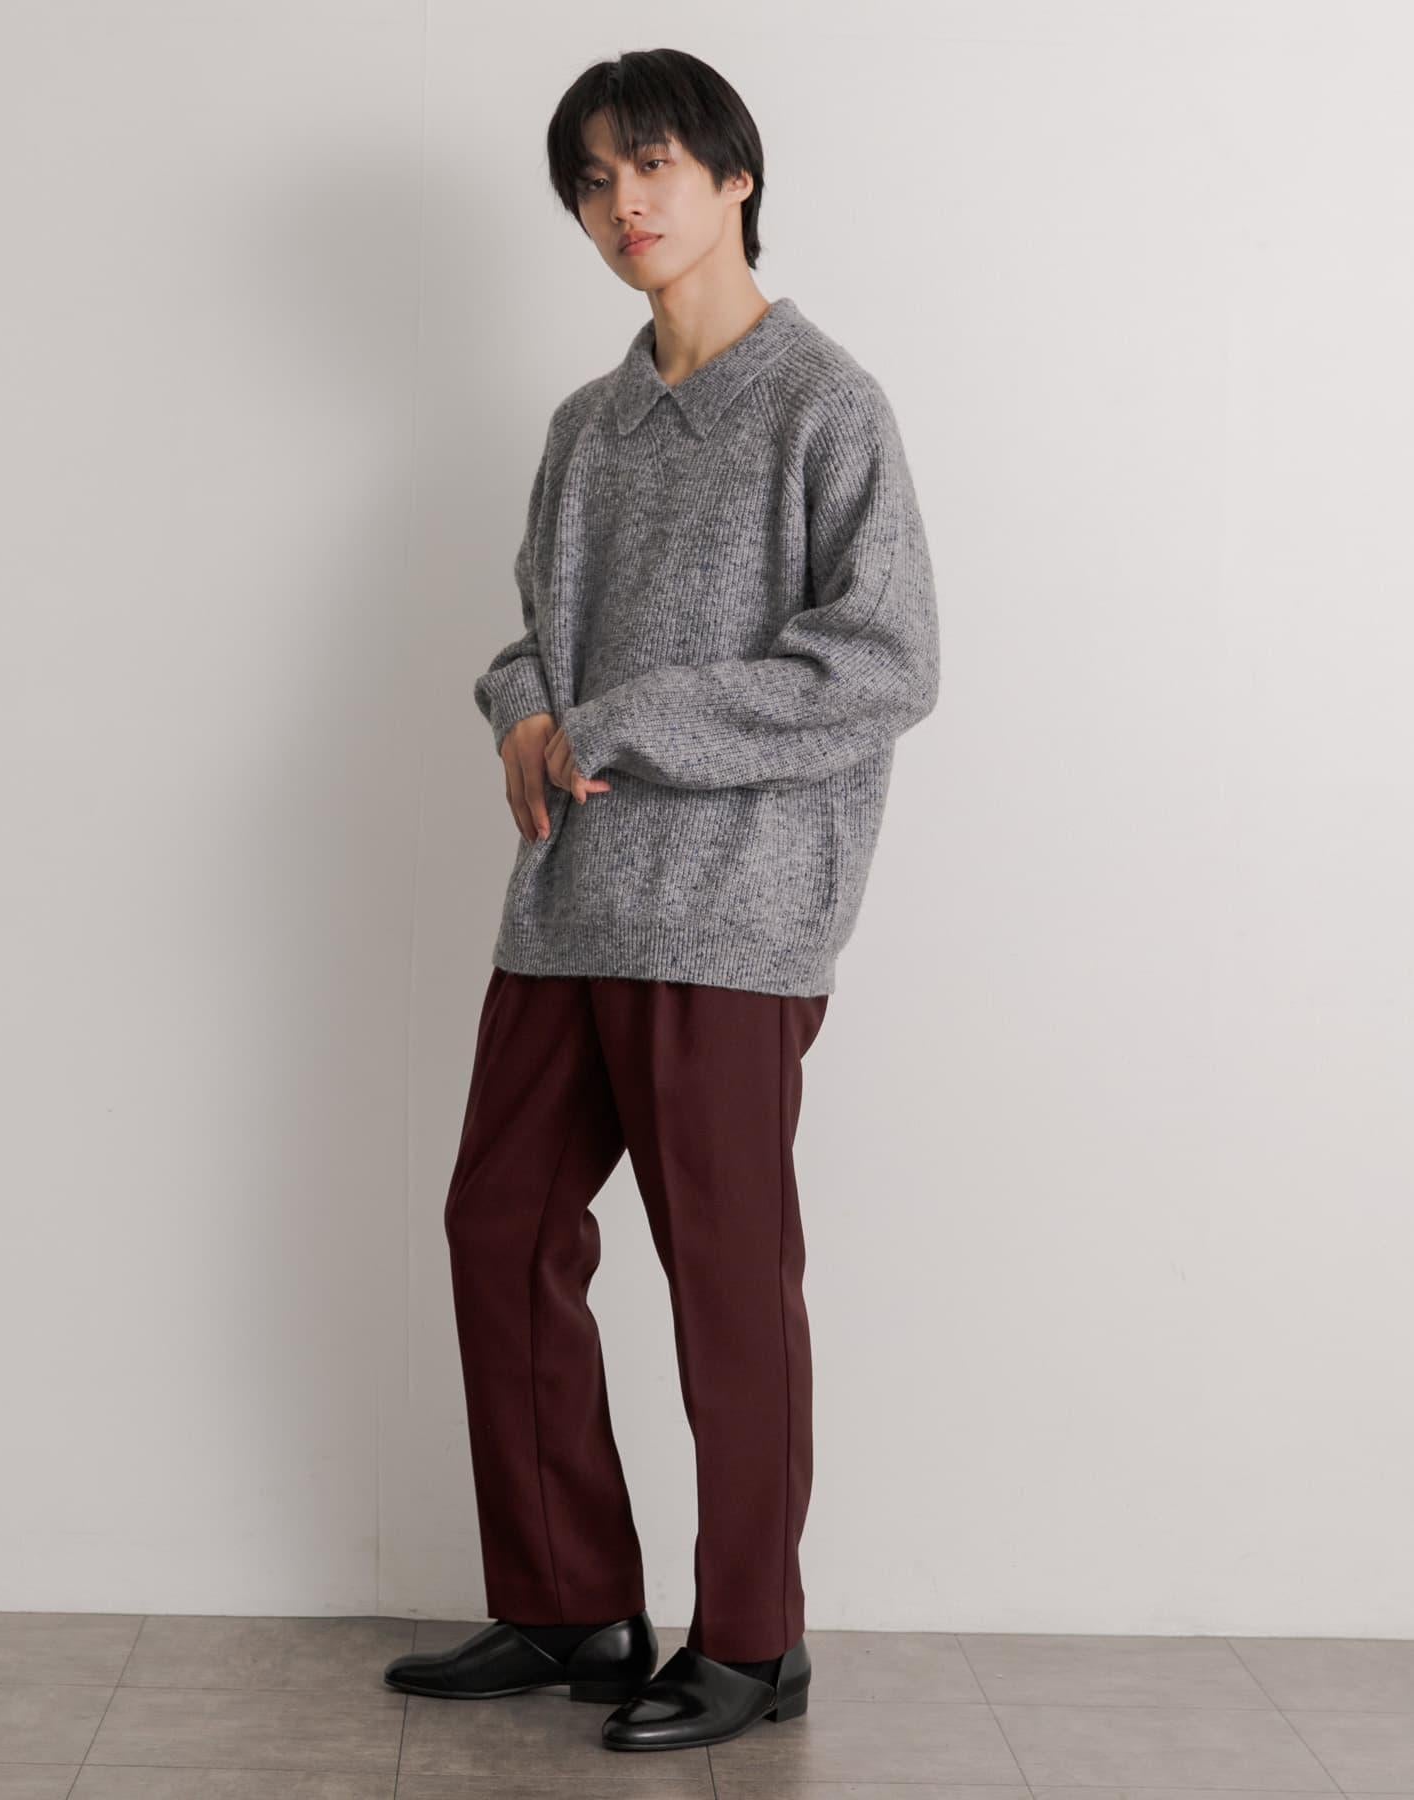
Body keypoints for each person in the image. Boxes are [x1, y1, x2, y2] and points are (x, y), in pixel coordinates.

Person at [384, 46, 939, 1753]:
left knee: (724, 1279)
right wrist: (524, 711)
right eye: (593, 179)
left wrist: (622, 721)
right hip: (569, 901)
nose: (625, 202)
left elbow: (885, 662)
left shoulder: (823, 404)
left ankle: (754, 1644)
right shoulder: (588, 426)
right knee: (499, 1228)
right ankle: (572, 1601)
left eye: (655, 166)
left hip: (732, 915)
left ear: (733, 176)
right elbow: (534, 642)